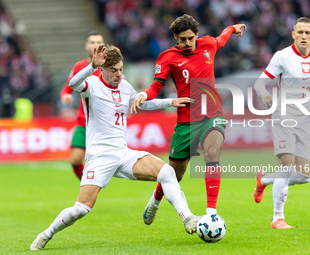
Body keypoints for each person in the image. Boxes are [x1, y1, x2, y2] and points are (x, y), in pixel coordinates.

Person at [30, 44, 200, 250]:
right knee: (81, 209)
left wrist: (171, 101)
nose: (119, 74)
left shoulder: (125, 86)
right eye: (114, 70)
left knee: (166, 172)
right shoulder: (91, 84)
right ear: (102, 69)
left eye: (121, 69)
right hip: (100, 157)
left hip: (123, 153)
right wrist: (91, 66)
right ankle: (47, 234)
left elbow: (142, 103)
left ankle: (188, 218)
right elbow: (74, 83)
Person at [131, 14, 246, 224]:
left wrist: (233, 27)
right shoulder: (167, 57)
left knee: (212, 154)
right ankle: (156, 199)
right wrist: (143, 95)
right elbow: (157, 85)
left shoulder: (208, 44)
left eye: (191, 38)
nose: (187, 43)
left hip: (212, 115)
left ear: (197, 35)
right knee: (175, 174)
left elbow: (222, 37)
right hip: (186, 121)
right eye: (182, 39)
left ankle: (211, 212)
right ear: (175, 36)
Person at [253, 17, 310, 229]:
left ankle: (264, 180)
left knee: (305, 176)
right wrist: (264, 94)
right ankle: (277, 218)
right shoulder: (282, 56)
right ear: (293, 34)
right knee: (287, 166)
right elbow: (260, 83)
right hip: (284, 116)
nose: (304, 36)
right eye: (300, 32)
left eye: (308, 33)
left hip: (306, 120)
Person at [60, 31, 104, 179]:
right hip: (83, 123)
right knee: (75, 160)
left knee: (103, 163)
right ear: (86, 46)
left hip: (102, 125)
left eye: (99, 42)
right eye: (92, 42)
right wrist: (65, 95)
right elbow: (67, 89)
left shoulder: (110, 66)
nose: (95, 45)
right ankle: (88, 184)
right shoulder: (79, 66)